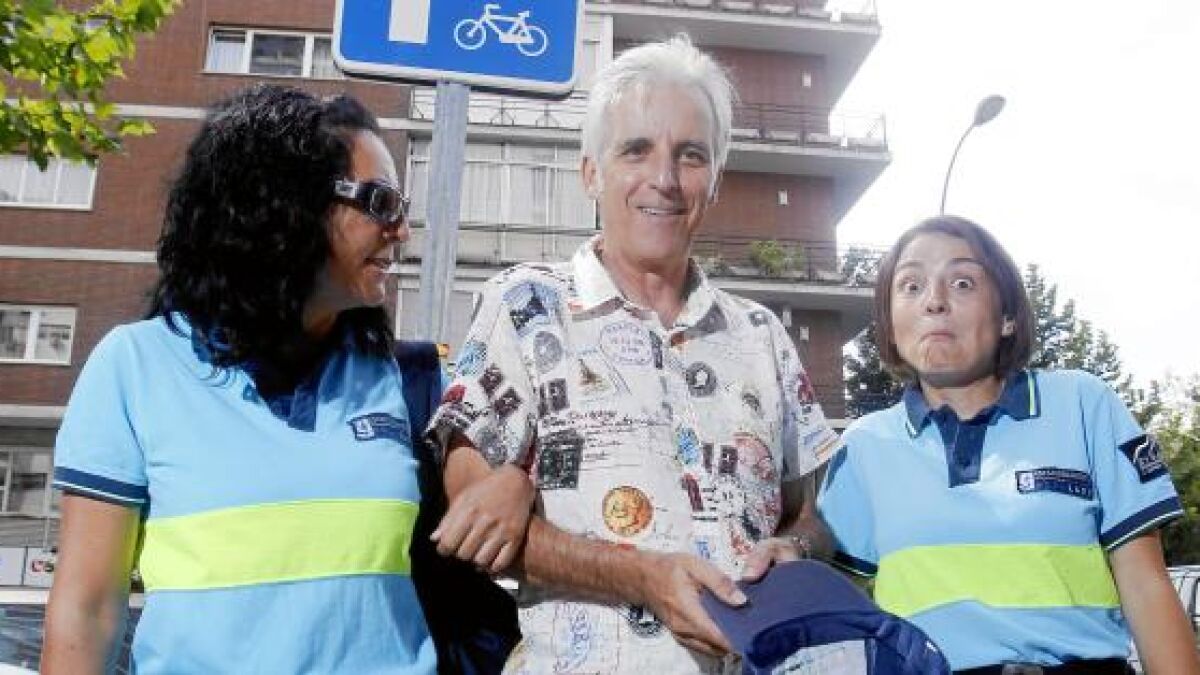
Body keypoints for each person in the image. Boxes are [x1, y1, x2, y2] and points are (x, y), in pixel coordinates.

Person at [424, 35, 842, 674]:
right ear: (591, 172)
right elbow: (471, 512)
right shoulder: (526, 304)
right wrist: (641, 576)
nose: (664, 180)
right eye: (636, 150)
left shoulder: (762, 334)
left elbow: (808, 514)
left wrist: (795, 550)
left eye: (691, 155)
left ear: (715, 181)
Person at [42, 84, 435, 673]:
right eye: (380, 202)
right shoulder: (134, 366)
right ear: (286, 206)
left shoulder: (409, 378)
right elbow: (87, 611)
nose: (400, 230)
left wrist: (507, 482)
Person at [818, 215, 1200, 674]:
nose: (934, 301)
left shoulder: (1083, 403)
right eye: (911, 286)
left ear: (1008, 317)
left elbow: (1146, 584)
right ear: (890, 326)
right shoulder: (862, 448)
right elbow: (833, 613)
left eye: (962, 283)